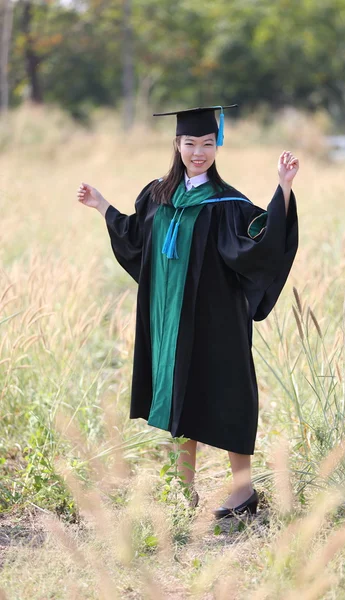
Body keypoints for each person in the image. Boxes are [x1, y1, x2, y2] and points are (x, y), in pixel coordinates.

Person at [77, 104, 299, 519]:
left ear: (218, 145)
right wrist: (101, 204)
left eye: (207, 143)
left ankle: (242, 492)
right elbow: (134, 238)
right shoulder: (158, 196)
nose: (199, 151)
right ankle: (184, 492)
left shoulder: (227, 202)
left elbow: (262, 240)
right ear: (176, 144)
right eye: (190, 143)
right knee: (180, 394)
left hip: (218, 321)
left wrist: (283, 188)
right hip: (170, 320)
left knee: (230, 393)